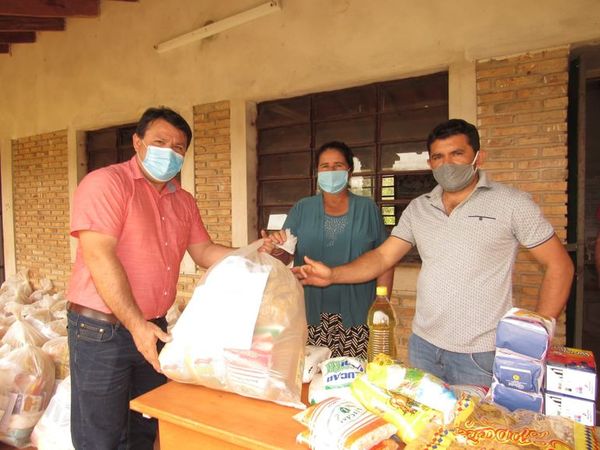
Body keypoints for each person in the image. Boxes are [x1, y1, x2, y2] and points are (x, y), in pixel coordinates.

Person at [293, 119, 574, 386]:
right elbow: (381, 258)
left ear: (479, 157)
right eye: (438, 157)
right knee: (424, 428)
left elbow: (560, 266)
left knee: (471, 433)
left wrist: (535, 336)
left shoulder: (511, 204)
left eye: (457, 154)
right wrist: (332, 275)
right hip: (423, 347)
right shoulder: (419, 208)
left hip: (480, 354)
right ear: (430, 163)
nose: (447, 163)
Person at [66, 107, 237, 449]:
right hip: (102, 330)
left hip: (153, 327)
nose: (169, 153)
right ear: (138, 142)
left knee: (144, 427)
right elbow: (99, 255)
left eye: (178, 148)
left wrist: (259, 253)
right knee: (102, 437)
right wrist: (135, 324)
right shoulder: (107, 184)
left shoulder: (183, 201)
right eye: (160, 142)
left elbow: (204, 252)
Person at [264, 141, 394, 359]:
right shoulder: (302, 208)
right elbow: (287, 253)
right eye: (325, 166)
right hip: (309, 314)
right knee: (310, 376)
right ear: (317, 171)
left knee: (352, 379)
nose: (331, 171)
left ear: (349, 171)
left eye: (337, 165)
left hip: (358, 315)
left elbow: (385, 260)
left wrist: (382, 308)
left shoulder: (367, 209)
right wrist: (274, 248)